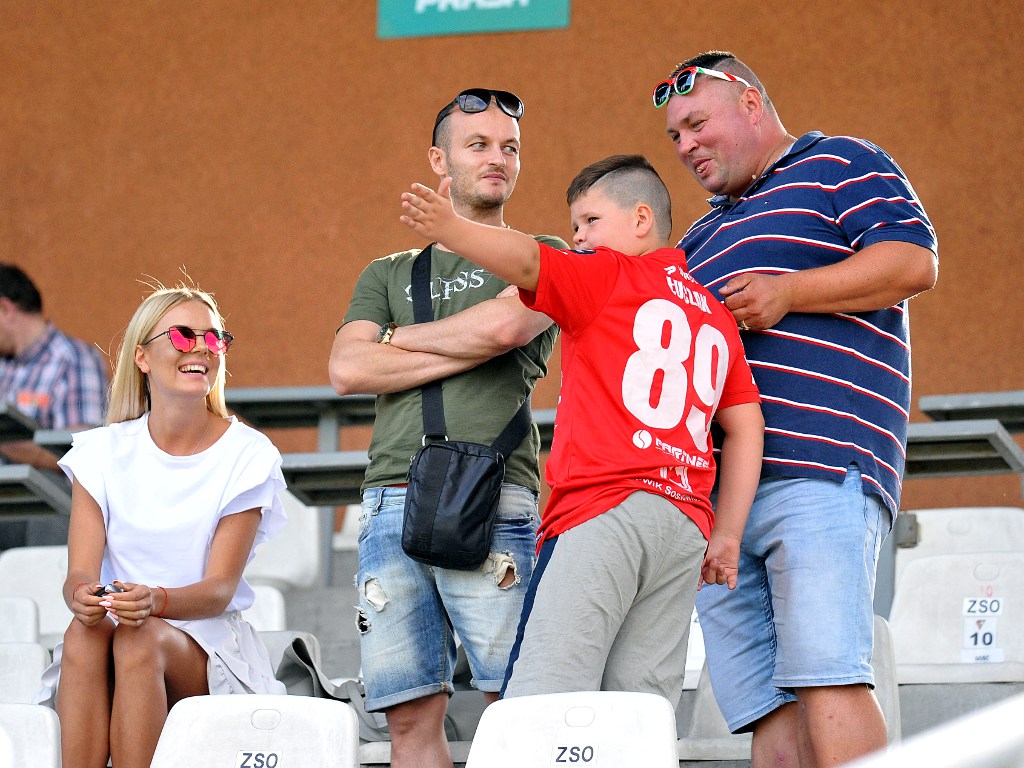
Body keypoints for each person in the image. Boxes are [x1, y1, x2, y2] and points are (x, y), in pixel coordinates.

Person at [654, 51, 938, 766]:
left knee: (828, 679)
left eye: (697, 123)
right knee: (765, 713)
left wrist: (788, 292)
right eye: (675, 136)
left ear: (751, 103)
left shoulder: (840, 162)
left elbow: (913, 262)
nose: (685, 145)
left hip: (820, 467)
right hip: (718, 503)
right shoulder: (696, 239)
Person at [399, 153, 764, 709]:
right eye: (574, 226)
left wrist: (452, 228)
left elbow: (529, 262)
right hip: (684, 526)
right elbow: (746, 425)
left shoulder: (604, 274)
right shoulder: (715, 314)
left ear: (641, 219)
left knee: (543, 702)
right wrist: (729, 535)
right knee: (640, 709)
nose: (578, 237)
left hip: (603, 511)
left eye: (591, 220)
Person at [329, 88, 565, 768]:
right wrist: (466, 343)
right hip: (389, 495)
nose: (498, 158)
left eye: (510, 148)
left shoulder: (541, 252)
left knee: (512, 704)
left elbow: (506, 328)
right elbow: (347, 368)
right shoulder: (387, 271)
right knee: (407, 718)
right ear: (439, 160)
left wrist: (393, 341)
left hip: (492, 489)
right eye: (478, 145)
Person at [38, 283, 288, 768]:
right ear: (142, 357)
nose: (201, 348)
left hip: (204, 644)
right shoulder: (99, 452)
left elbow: (218, 591)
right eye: (182, 335)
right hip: (116, 635)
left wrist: (155, 600)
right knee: (83, 632)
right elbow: (79, 576)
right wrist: (83, 597)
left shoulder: (248, 453)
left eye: (213, 338)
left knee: (140, 636)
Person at [0, 263, 109, 550]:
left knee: (54, 493)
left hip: (43, 507)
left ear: (5, 309)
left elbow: (83, 455)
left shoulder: (73, 360)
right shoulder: (4, 365)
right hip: (7, 497)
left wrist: (11, 446)